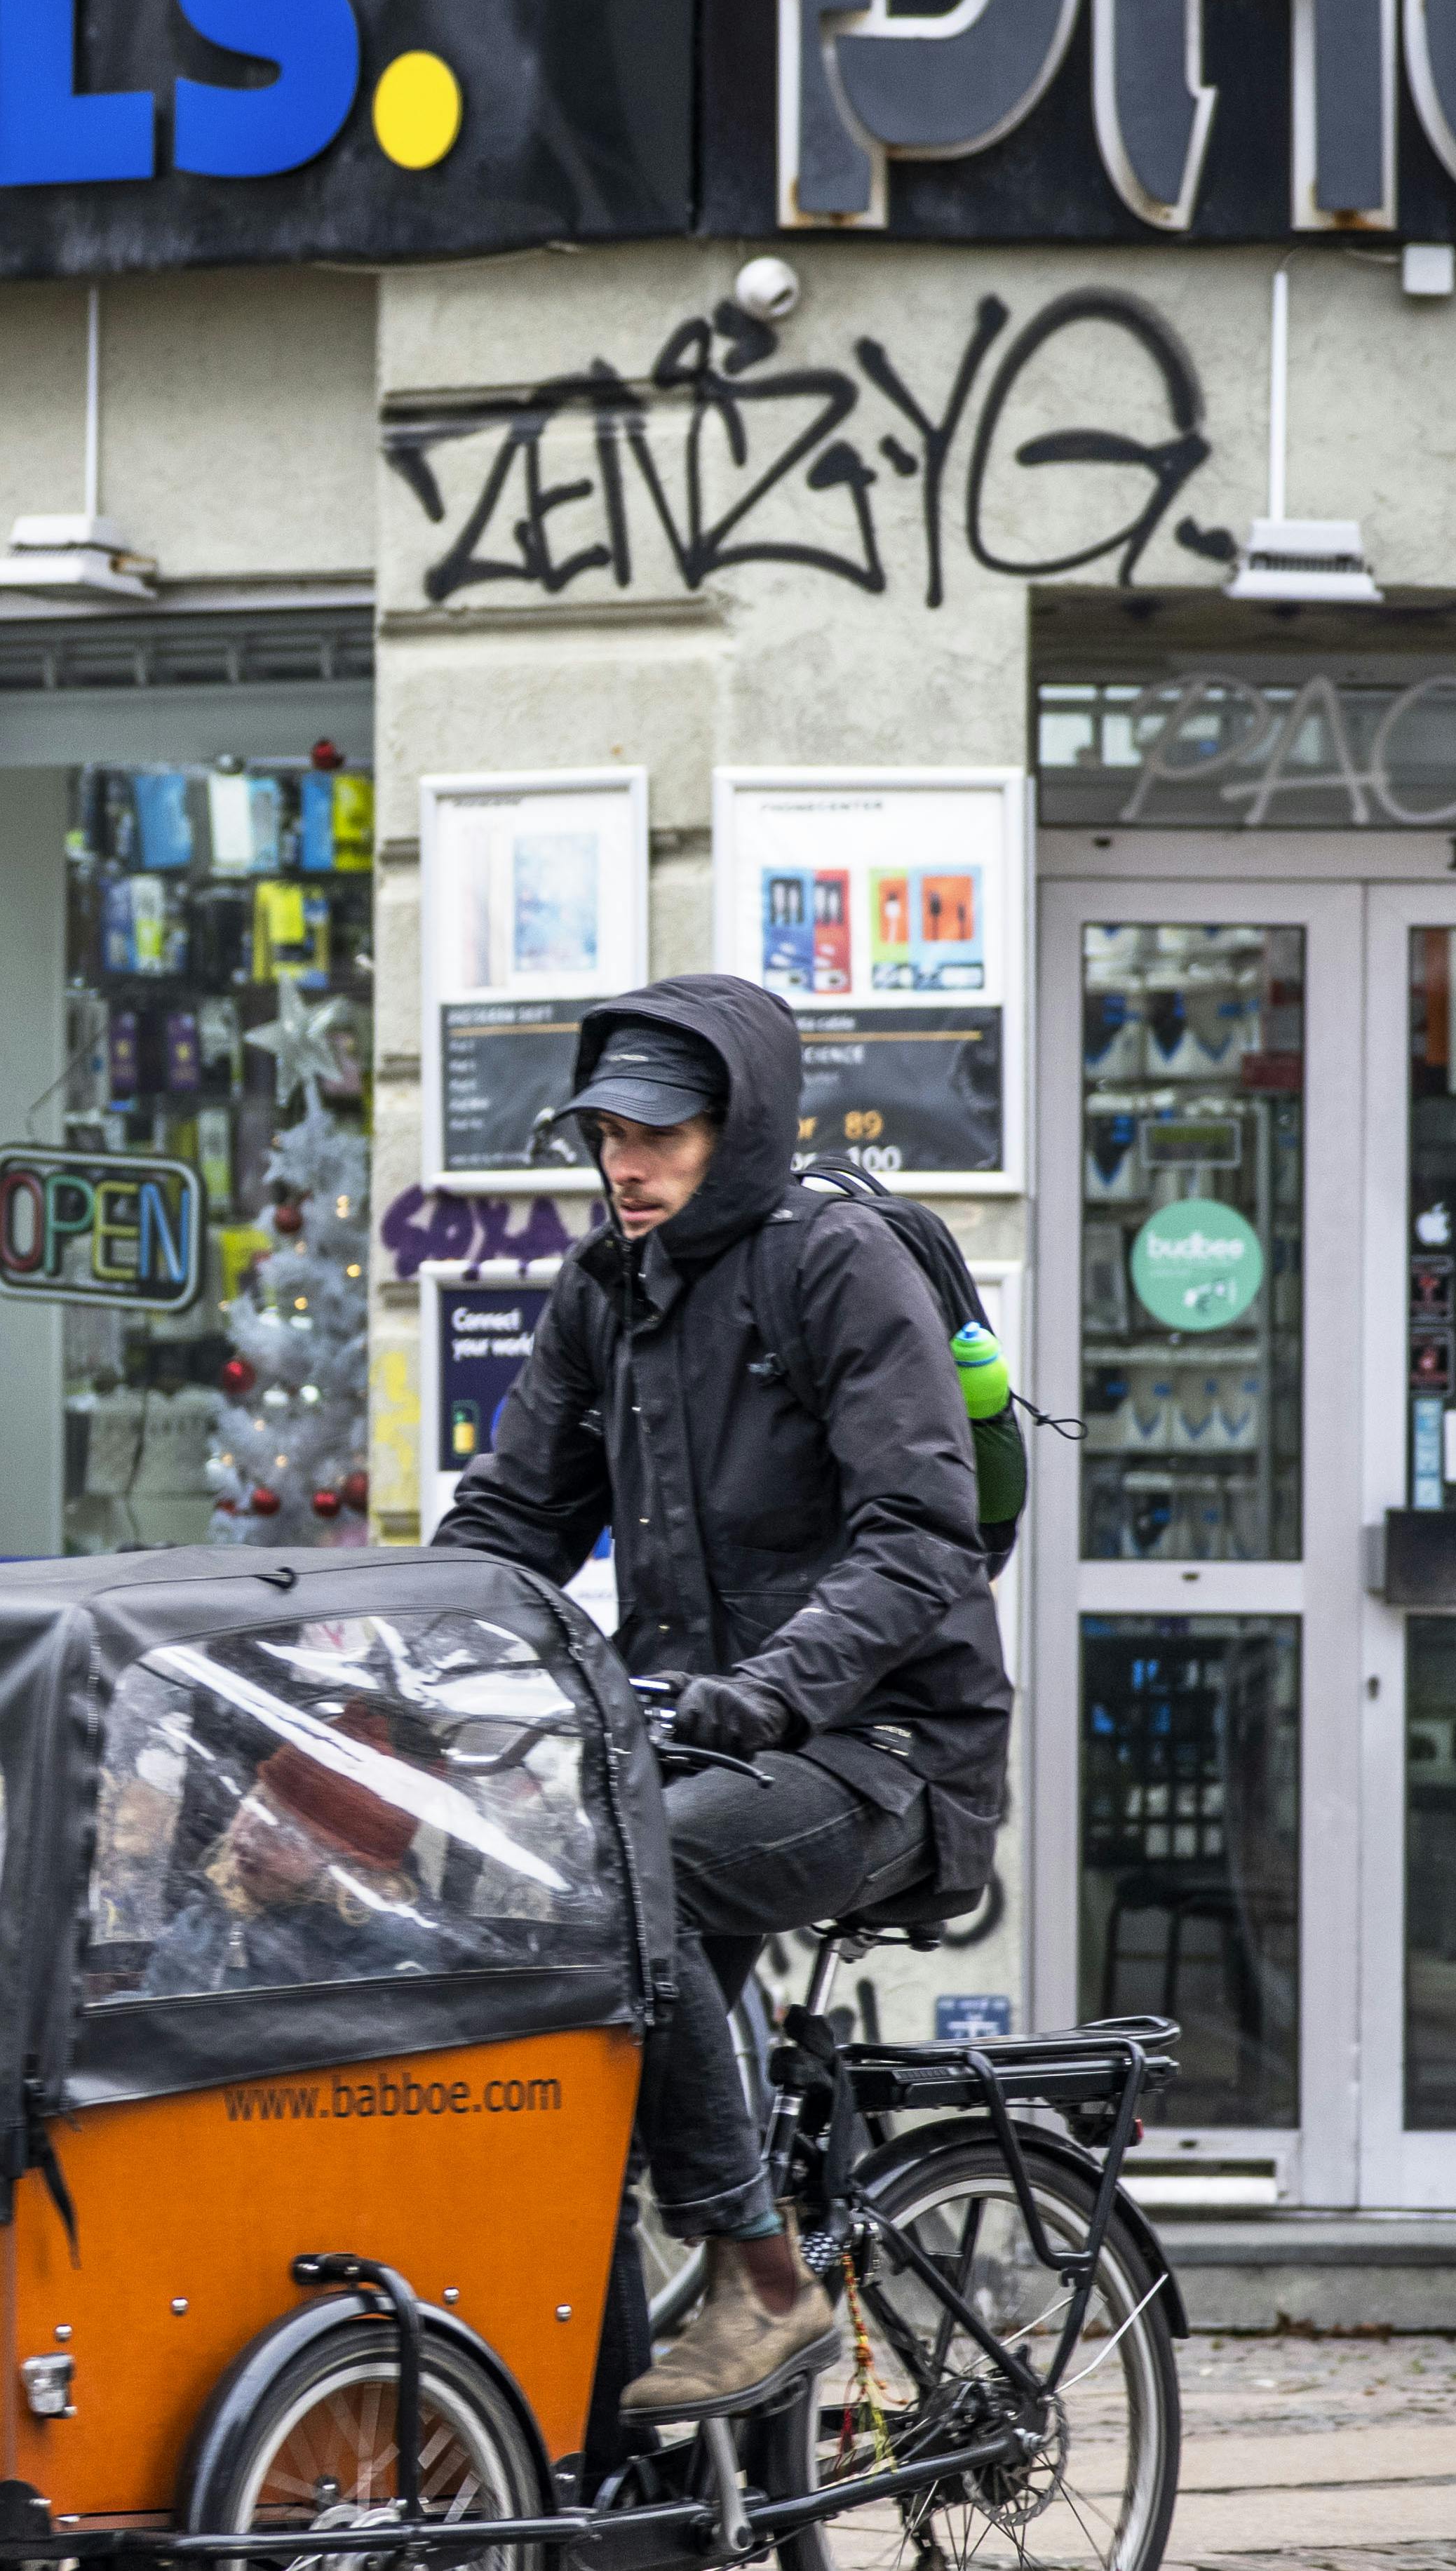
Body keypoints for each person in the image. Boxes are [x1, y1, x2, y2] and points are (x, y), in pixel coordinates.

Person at [431, 974, 1009, 2419]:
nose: (628, 1160)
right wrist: (384, 1656)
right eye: (606, 1130)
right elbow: (509, 1526)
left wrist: (769, 1689)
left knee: (639, 1873)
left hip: (885, 1752)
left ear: (735, 1129)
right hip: (698, 1747)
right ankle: (611, 2464)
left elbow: (923, 1536)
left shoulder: (835, 1265)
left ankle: (761, 2282)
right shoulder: (606, 1293)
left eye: (662, 1132)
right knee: (570, 2058)